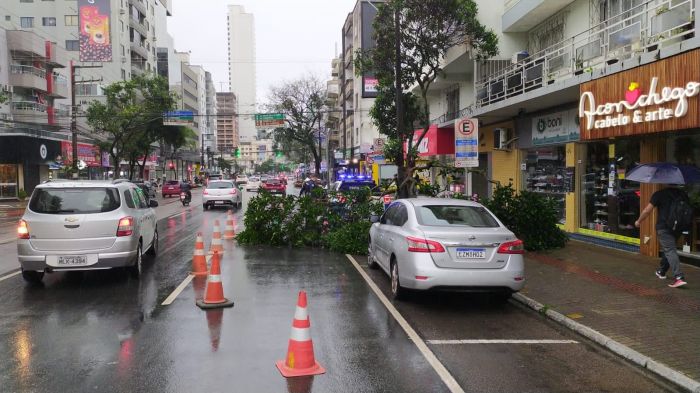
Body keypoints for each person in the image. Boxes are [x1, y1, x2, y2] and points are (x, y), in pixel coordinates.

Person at [635, 185, 688, 288]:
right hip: (678, 228)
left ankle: (679, 277)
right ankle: (662, 271)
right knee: (669, 249)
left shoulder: (659, 194)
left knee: (670, 250)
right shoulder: (683, 194)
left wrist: (639, 221)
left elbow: (647, 210)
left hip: (664, 227)